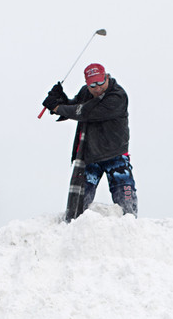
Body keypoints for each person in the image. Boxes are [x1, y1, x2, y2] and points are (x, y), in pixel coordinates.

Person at [42, 64, 138, 216]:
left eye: (100, 82)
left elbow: (85, 112)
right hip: (90, 156)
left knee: (127, 208)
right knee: (77, 210)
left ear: (106, 77)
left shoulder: (117, 96)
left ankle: (130, 233)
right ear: (87, 83)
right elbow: (75, 107)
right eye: (92, 85)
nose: (97, 88)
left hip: (115, 155)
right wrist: (60, 100)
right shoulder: (85, 93)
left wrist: (58, 108)